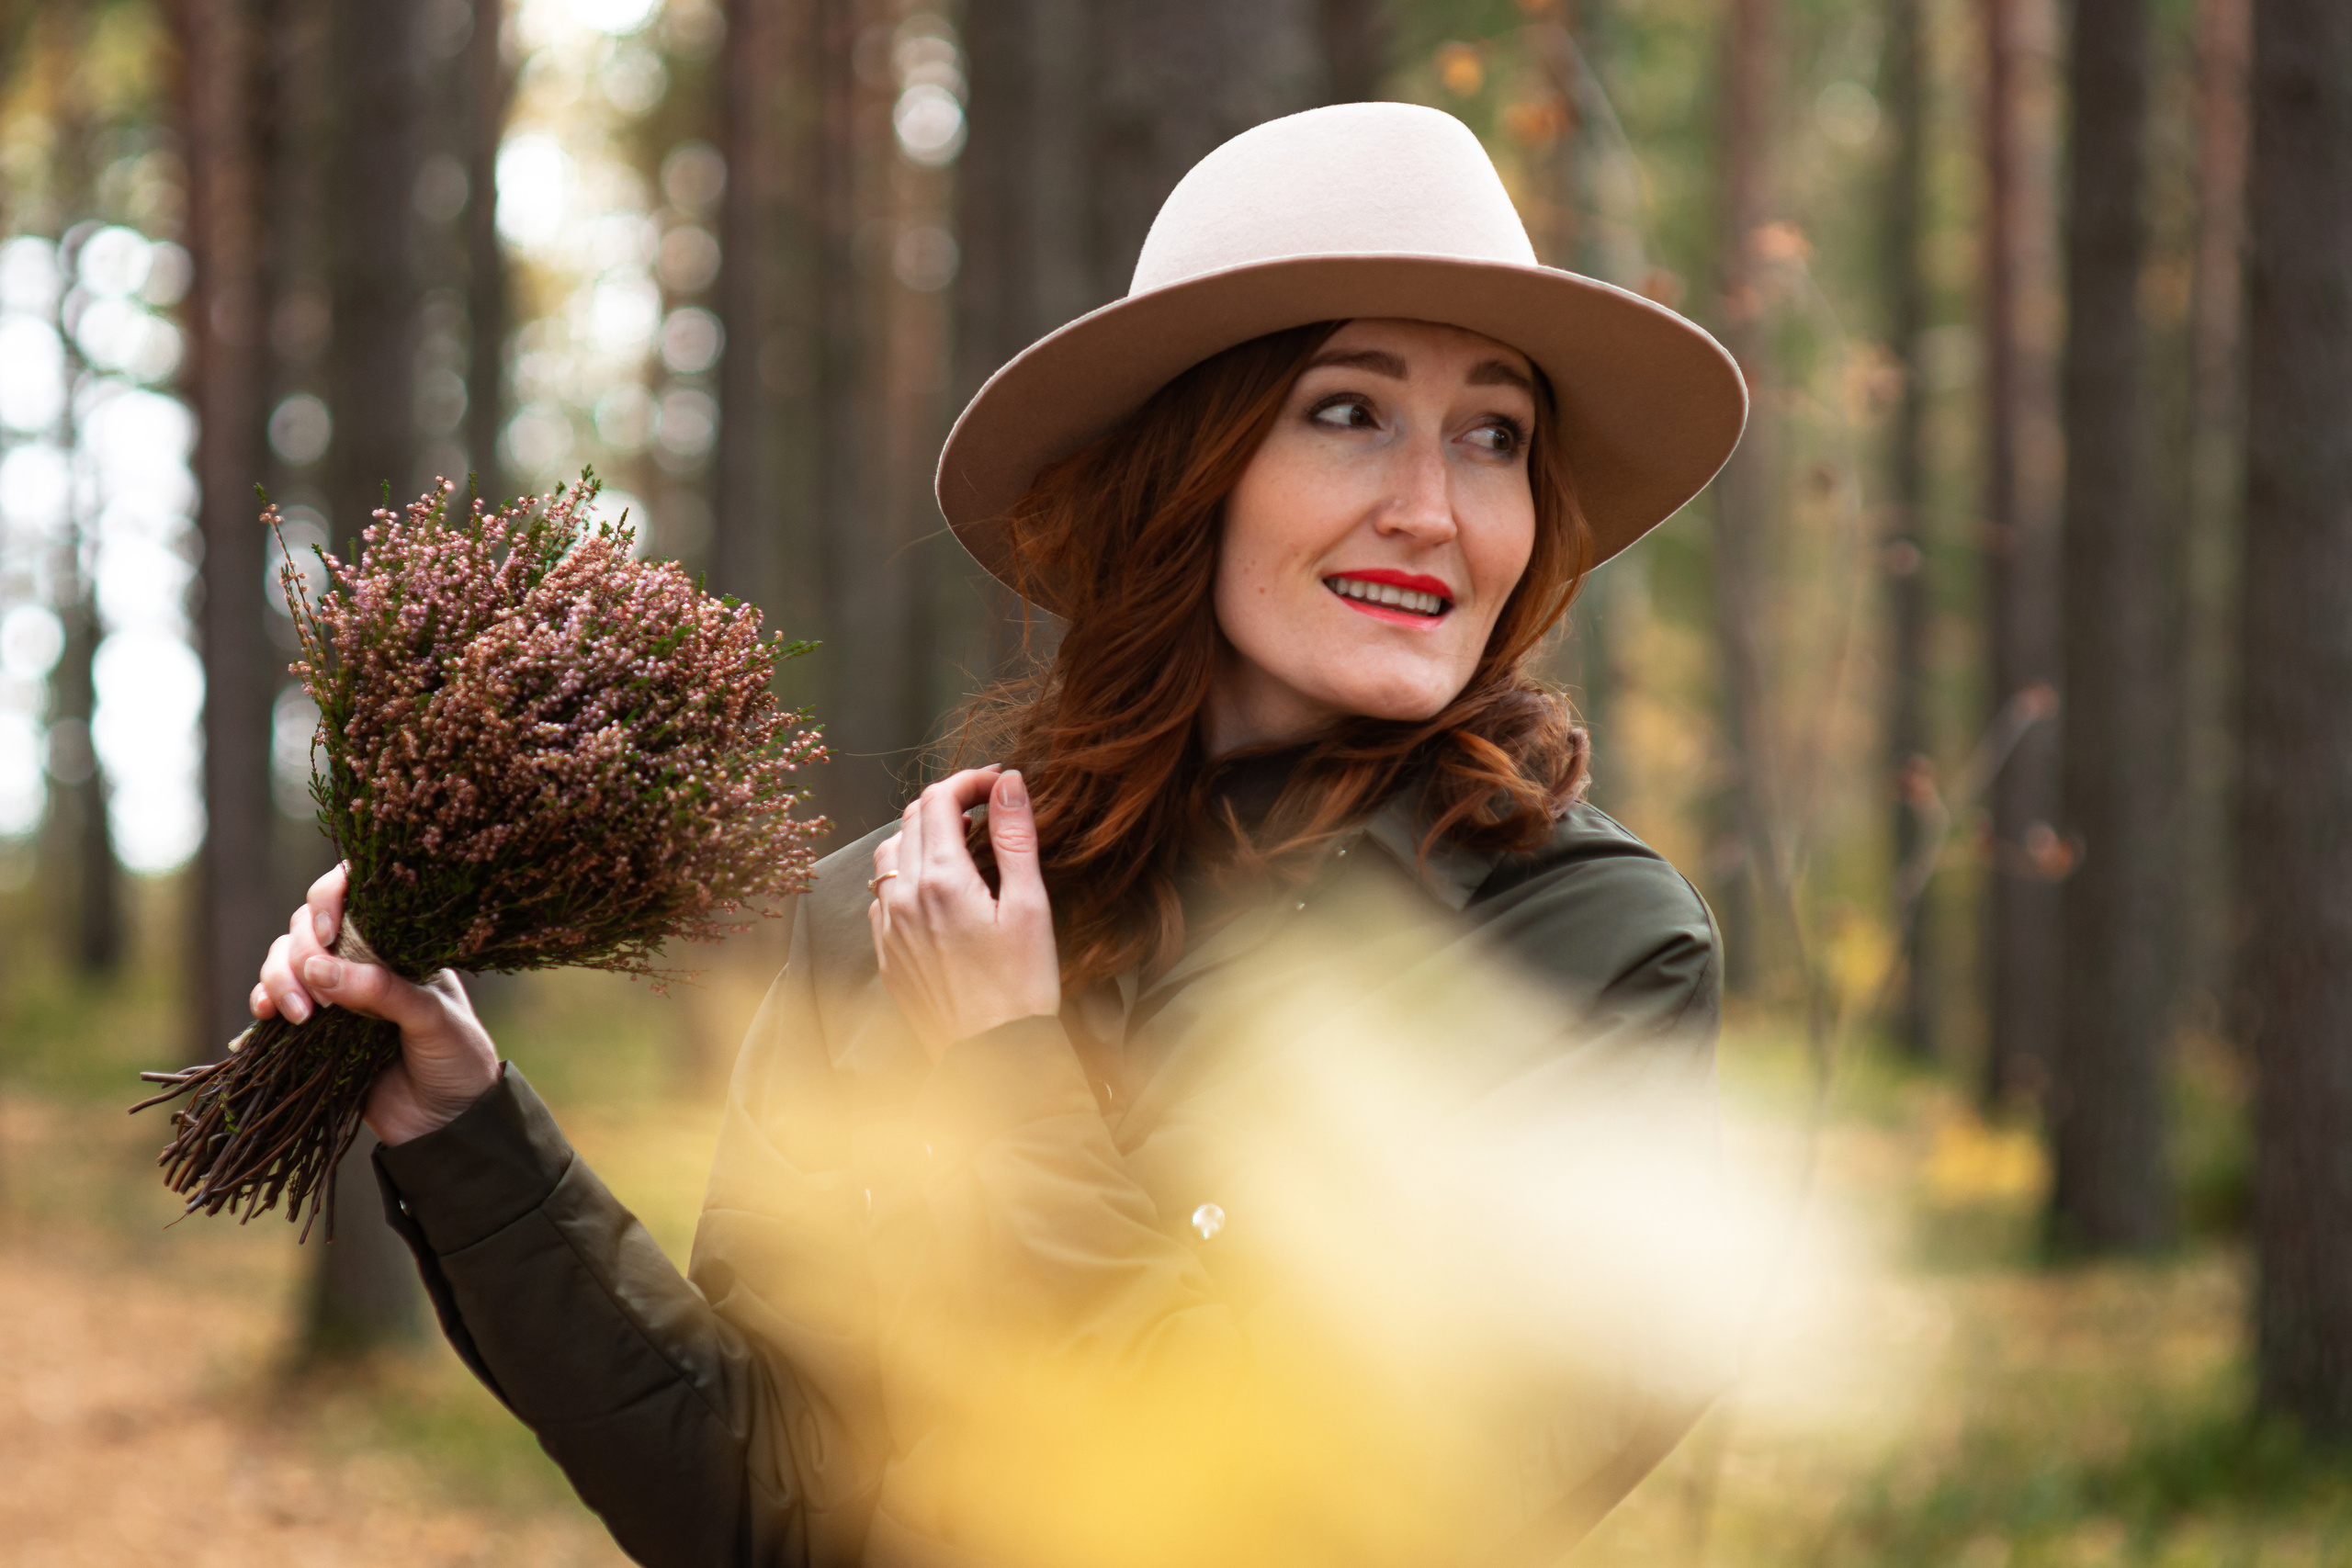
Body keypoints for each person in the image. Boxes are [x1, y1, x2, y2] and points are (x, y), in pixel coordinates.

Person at [250, 103, 1746, 1568]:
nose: (1434, 508)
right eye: (1348, 412)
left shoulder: (1592, 945)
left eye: (1495, 434)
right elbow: (766, 1505)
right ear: (1186, 466)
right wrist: (466, 1131)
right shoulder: (904, 908)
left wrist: (1008, 1076)